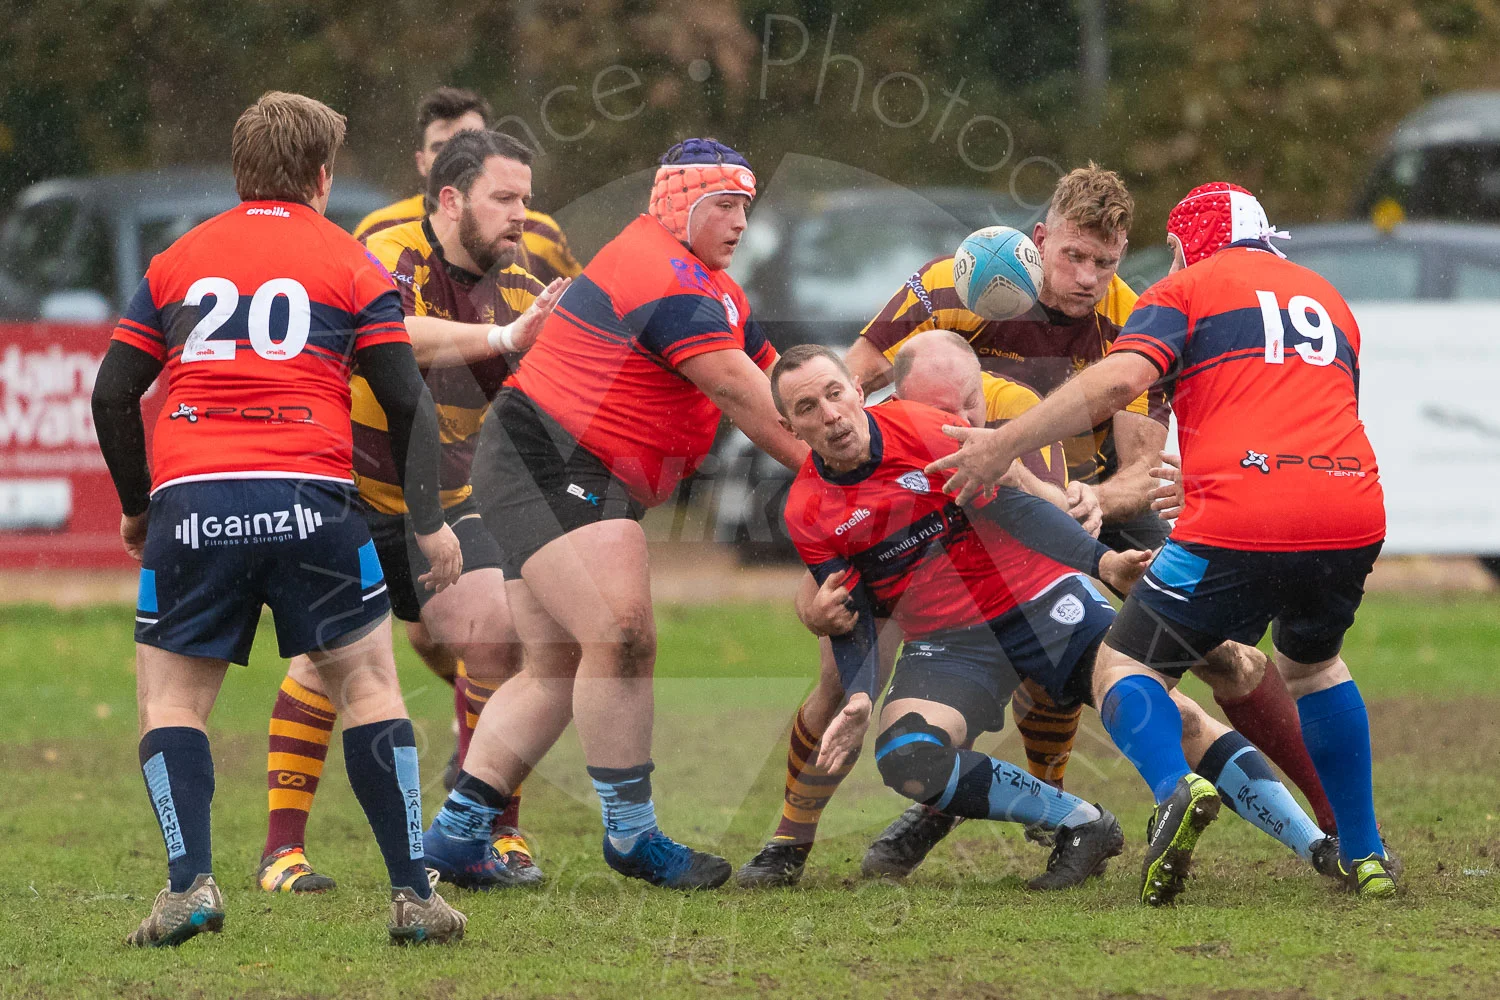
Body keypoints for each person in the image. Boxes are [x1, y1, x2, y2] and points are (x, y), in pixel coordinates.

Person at [852, 168, 1340, 874]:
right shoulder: (957, 281)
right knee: (991, 646)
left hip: (1097, 500)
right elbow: (855, 375)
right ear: (1041, 239)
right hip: (982, 493)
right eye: (1072, 256)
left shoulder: (1132, 316)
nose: (1086, 277)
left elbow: (1146, 474)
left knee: (1224, 654)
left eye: (1104, 262)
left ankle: (1337, 821)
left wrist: (1096, 502)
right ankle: (815, 833)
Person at [740, 337, 1336, 889]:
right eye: (808, 407)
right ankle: (1080, 822)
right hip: (948, 643)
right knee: (908, 758)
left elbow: (1018, 511)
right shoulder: (807, 511)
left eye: (835, 393)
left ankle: (1319, 846)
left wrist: (1101, 564)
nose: (830, 415)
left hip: (1038, 601)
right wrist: (862, 695)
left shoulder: (925, 429)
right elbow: (851, 613)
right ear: (790, 425)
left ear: (857, 390)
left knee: (1168, 712)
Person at [91, 91, 467, 946]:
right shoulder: (350, 262)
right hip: (312, 497)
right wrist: (428, 520)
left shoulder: (177, 260)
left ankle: (190, 884)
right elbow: (406, 399)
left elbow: (113, 392)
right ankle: (414, 895)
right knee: (366, 684)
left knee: (174, 701)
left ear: (238, 172)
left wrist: (138, 507)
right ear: (323, 176)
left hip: (194, 497)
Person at [420, 138, 808, 890]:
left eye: (745, 208)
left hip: (559, 461)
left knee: (556, 669)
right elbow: (742, 396)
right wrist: (844, 470)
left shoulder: (715, 284)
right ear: (678, 204)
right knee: (621, 634)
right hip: (556, 458)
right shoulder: (664, 275)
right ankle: (632, 836)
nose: (739, 224)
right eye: (722, 206)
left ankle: (456, 837)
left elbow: (778, 374)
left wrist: (858, 397)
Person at [256, 129, 569, 895]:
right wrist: (498, 337)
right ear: (452, 199)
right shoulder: (385, 248)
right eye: (505, 198)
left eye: (526, 199)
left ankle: (487, 827)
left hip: (453, 500)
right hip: (346, 491)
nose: (521, 215)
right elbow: (394, 339)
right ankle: (280, 853)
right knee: (326, 660)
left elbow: (530, 408)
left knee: (498, 639)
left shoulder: (521, 286)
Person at [353, 87, 582, 285]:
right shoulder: (379, 229)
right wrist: (499, 337)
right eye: (440, 147)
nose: (456, 157)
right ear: (421, 163)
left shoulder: (541, 233)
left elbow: (583, 312)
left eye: (470, 144)